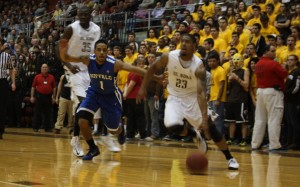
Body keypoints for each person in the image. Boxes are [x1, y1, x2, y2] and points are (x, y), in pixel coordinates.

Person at [137, 34, 239, 170]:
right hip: (174, 98)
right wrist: (143, 88)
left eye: (188, 42)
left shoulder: (198, 66)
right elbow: (152, 68)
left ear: (194, 47)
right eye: (182, 41)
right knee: (172, 126)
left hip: (192, 99)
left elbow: (201, 93)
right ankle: (195, 134)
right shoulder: (169, 56)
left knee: (212, 129)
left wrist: (203, 118)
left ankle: (229, 158)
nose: (184, 44)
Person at [60, 39, 150, 160]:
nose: (101, 52)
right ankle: (93, 148)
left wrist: (155, 76)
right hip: (94, 93)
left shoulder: (114, 63)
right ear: (94, 51)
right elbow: (69, 57)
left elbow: (136, 70)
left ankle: (120, 129)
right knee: (81, 120)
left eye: (104, 50)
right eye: (99, 50)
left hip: (110, 96)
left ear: (108, 51)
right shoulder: (88, 59)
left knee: (113, 130)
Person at [58, 5, 101, 157]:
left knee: (86, 108)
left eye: (85, 14)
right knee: (85, 103)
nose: (83, 16)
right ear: (77, 15)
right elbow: (60, 48)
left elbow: (97, 50)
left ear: (91, 14)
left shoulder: (96, 29)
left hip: (89, 70)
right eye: (80, 14)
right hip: (73, 70)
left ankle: (78, 137)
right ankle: (77, 140)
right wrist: (68, 65)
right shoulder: (71, 28)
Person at [251, 45, 288, 151]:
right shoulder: (273, 64)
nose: (275, 53)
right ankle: (274, 145)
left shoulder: (258, 64)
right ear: (266, 52)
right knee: (274, 118)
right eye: (272, 51)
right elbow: (284, 74)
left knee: (259, 119)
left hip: (260, 91)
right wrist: (284, 67)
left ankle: (255, 144)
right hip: (272, 92)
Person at [30, 63, 56, 132]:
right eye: (43, 67)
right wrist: (32, 96)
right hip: (39, 96)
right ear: (41, 69)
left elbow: (54, 88)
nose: (44, 68)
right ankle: (36, 127)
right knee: (37, 112)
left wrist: (54, 97)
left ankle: (48, 128)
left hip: (48, 97)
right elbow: (33, 87)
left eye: (46, 67)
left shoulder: (52, 77)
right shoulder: (37, 77)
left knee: (48, 113)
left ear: (48, 69)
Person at [0, 46, 16, 139]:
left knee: (2, 107)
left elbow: (11, 70)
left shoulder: (6, 55)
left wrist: (13, 82)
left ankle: (0, 131)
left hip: (2, 82)